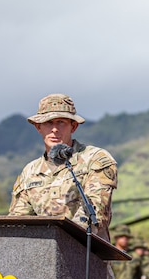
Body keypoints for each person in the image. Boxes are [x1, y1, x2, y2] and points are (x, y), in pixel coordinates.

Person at [8, 93, 117, 242]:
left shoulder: (95, 159)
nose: (54, 129)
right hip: (42, 258)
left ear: (73, 126)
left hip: (87, 258)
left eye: (61, 122)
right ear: (38, 127)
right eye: (48, 123)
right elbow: (18, 221)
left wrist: (62, 241)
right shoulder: (29, 171)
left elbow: (95, 211)